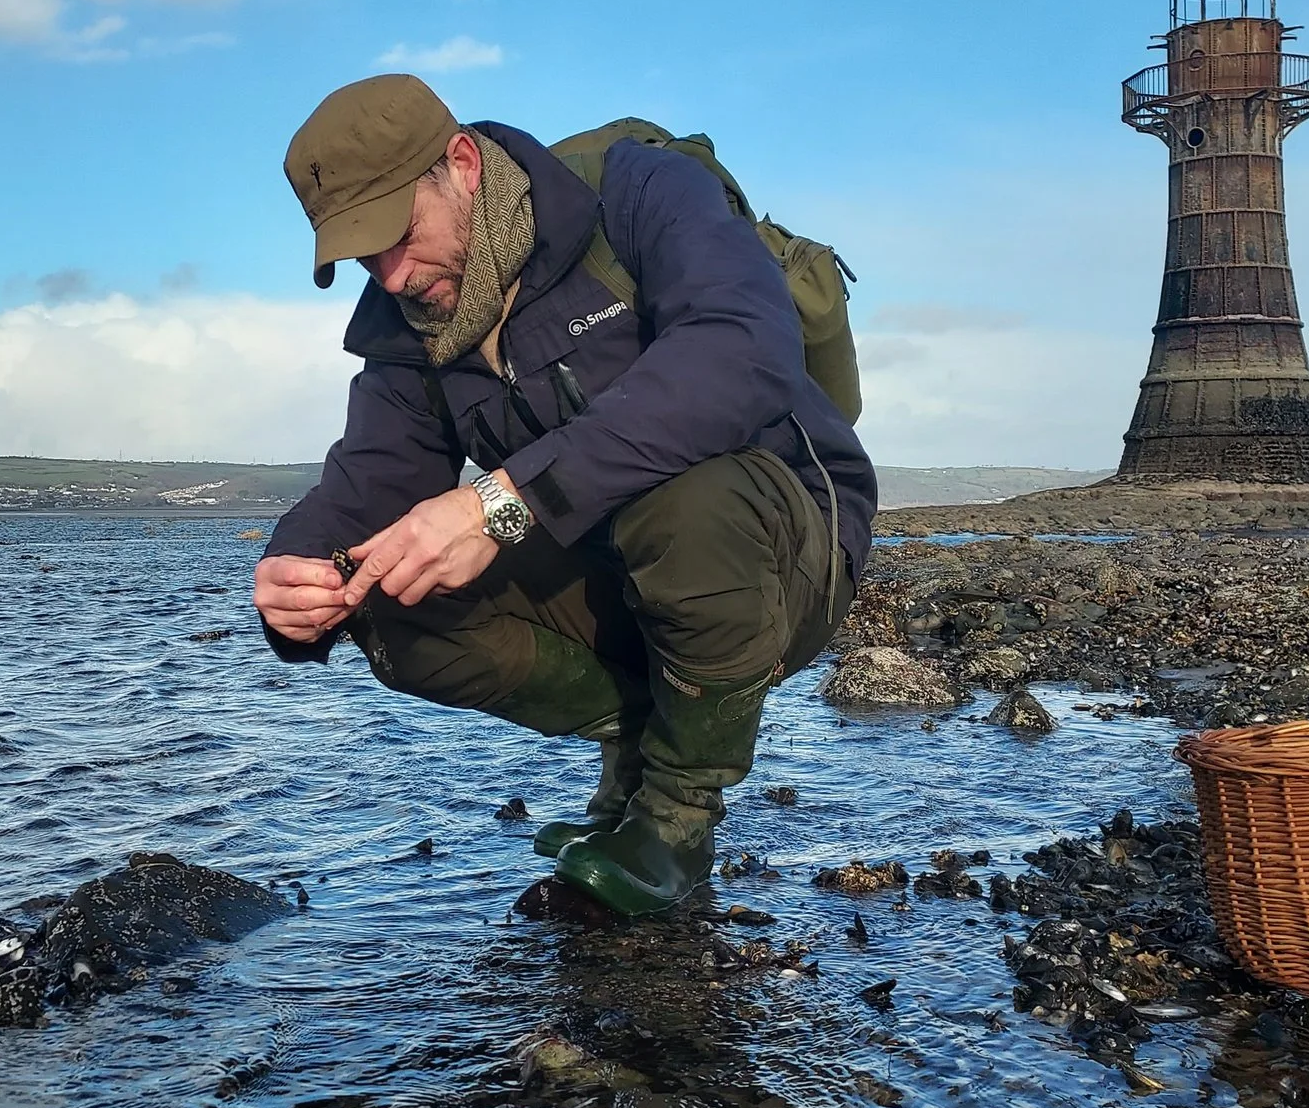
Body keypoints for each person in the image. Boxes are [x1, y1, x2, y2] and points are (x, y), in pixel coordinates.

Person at [251, 74, 875, 916]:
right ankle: (637, 747)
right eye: (365, 255)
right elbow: (370, 480)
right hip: (626, 581)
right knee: (388, 590)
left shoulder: (640, 192)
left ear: (462, 165)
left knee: (676, 489)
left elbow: (742, 353)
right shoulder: (413, 326)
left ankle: (677, 815)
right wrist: (295, 573)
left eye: (398, 233)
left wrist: (499, 503)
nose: (392, 276)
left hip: (786, 550)